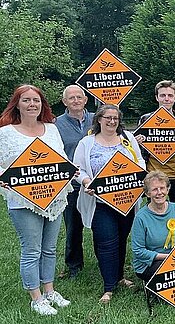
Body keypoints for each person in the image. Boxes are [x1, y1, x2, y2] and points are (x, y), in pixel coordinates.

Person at [0, 85, 71, 315]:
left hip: (54, 197)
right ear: (17, 104)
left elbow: (61, 159)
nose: (32, 104)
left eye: (36, 100)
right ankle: (36, 297)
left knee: (50, 249)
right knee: (32, 249)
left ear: (42, 105)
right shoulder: (6, 132)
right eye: (27, 100)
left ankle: (50, 291)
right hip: (22, 200)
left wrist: (71, 171)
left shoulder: (51, 129)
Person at [73, 104, 146, 303]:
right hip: (99, 202)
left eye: (115, 118)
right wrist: (87, 182)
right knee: (106, 242)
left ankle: (120, 276)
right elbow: (78, 169)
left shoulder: (127, 139)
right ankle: (109, 286)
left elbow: (139, 161)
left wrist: (139, 176)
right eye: (108, 117)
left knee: (121, 239)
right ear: (99, 119)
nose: (112, 121)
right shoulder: (87, 143)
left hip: (126, 200)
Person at [135, 80, 175, 215]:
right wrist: (137, 143)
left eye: (170, 95)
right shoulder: (145, 119)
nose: (166, 99)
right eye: (162, 95)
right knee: (153, 212)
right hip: (153, 174)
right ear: (156, 97)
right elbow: (135, 152)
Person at [55, 85, 95, 279]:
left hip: (96, 182)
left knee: (101, 224)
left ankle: (106, 260)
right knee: (73, 226)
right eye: (71, 98)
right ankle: (74, 266)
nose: (76, 101)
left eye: (79, 97)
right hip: (71, 184)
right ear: (65, 102)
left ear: (86, 99)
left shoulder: (97, 119)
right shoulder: (55, 125)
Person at [131, 171, 175, 282]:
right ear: (148, 193)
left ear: (168, 189)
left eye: (162, 188)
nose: (159, 193)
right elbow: (138, 251)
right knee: (169, 271)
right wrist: (166, 257)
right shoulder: (140, 217)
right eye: (154, 189)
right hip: (151, 263)